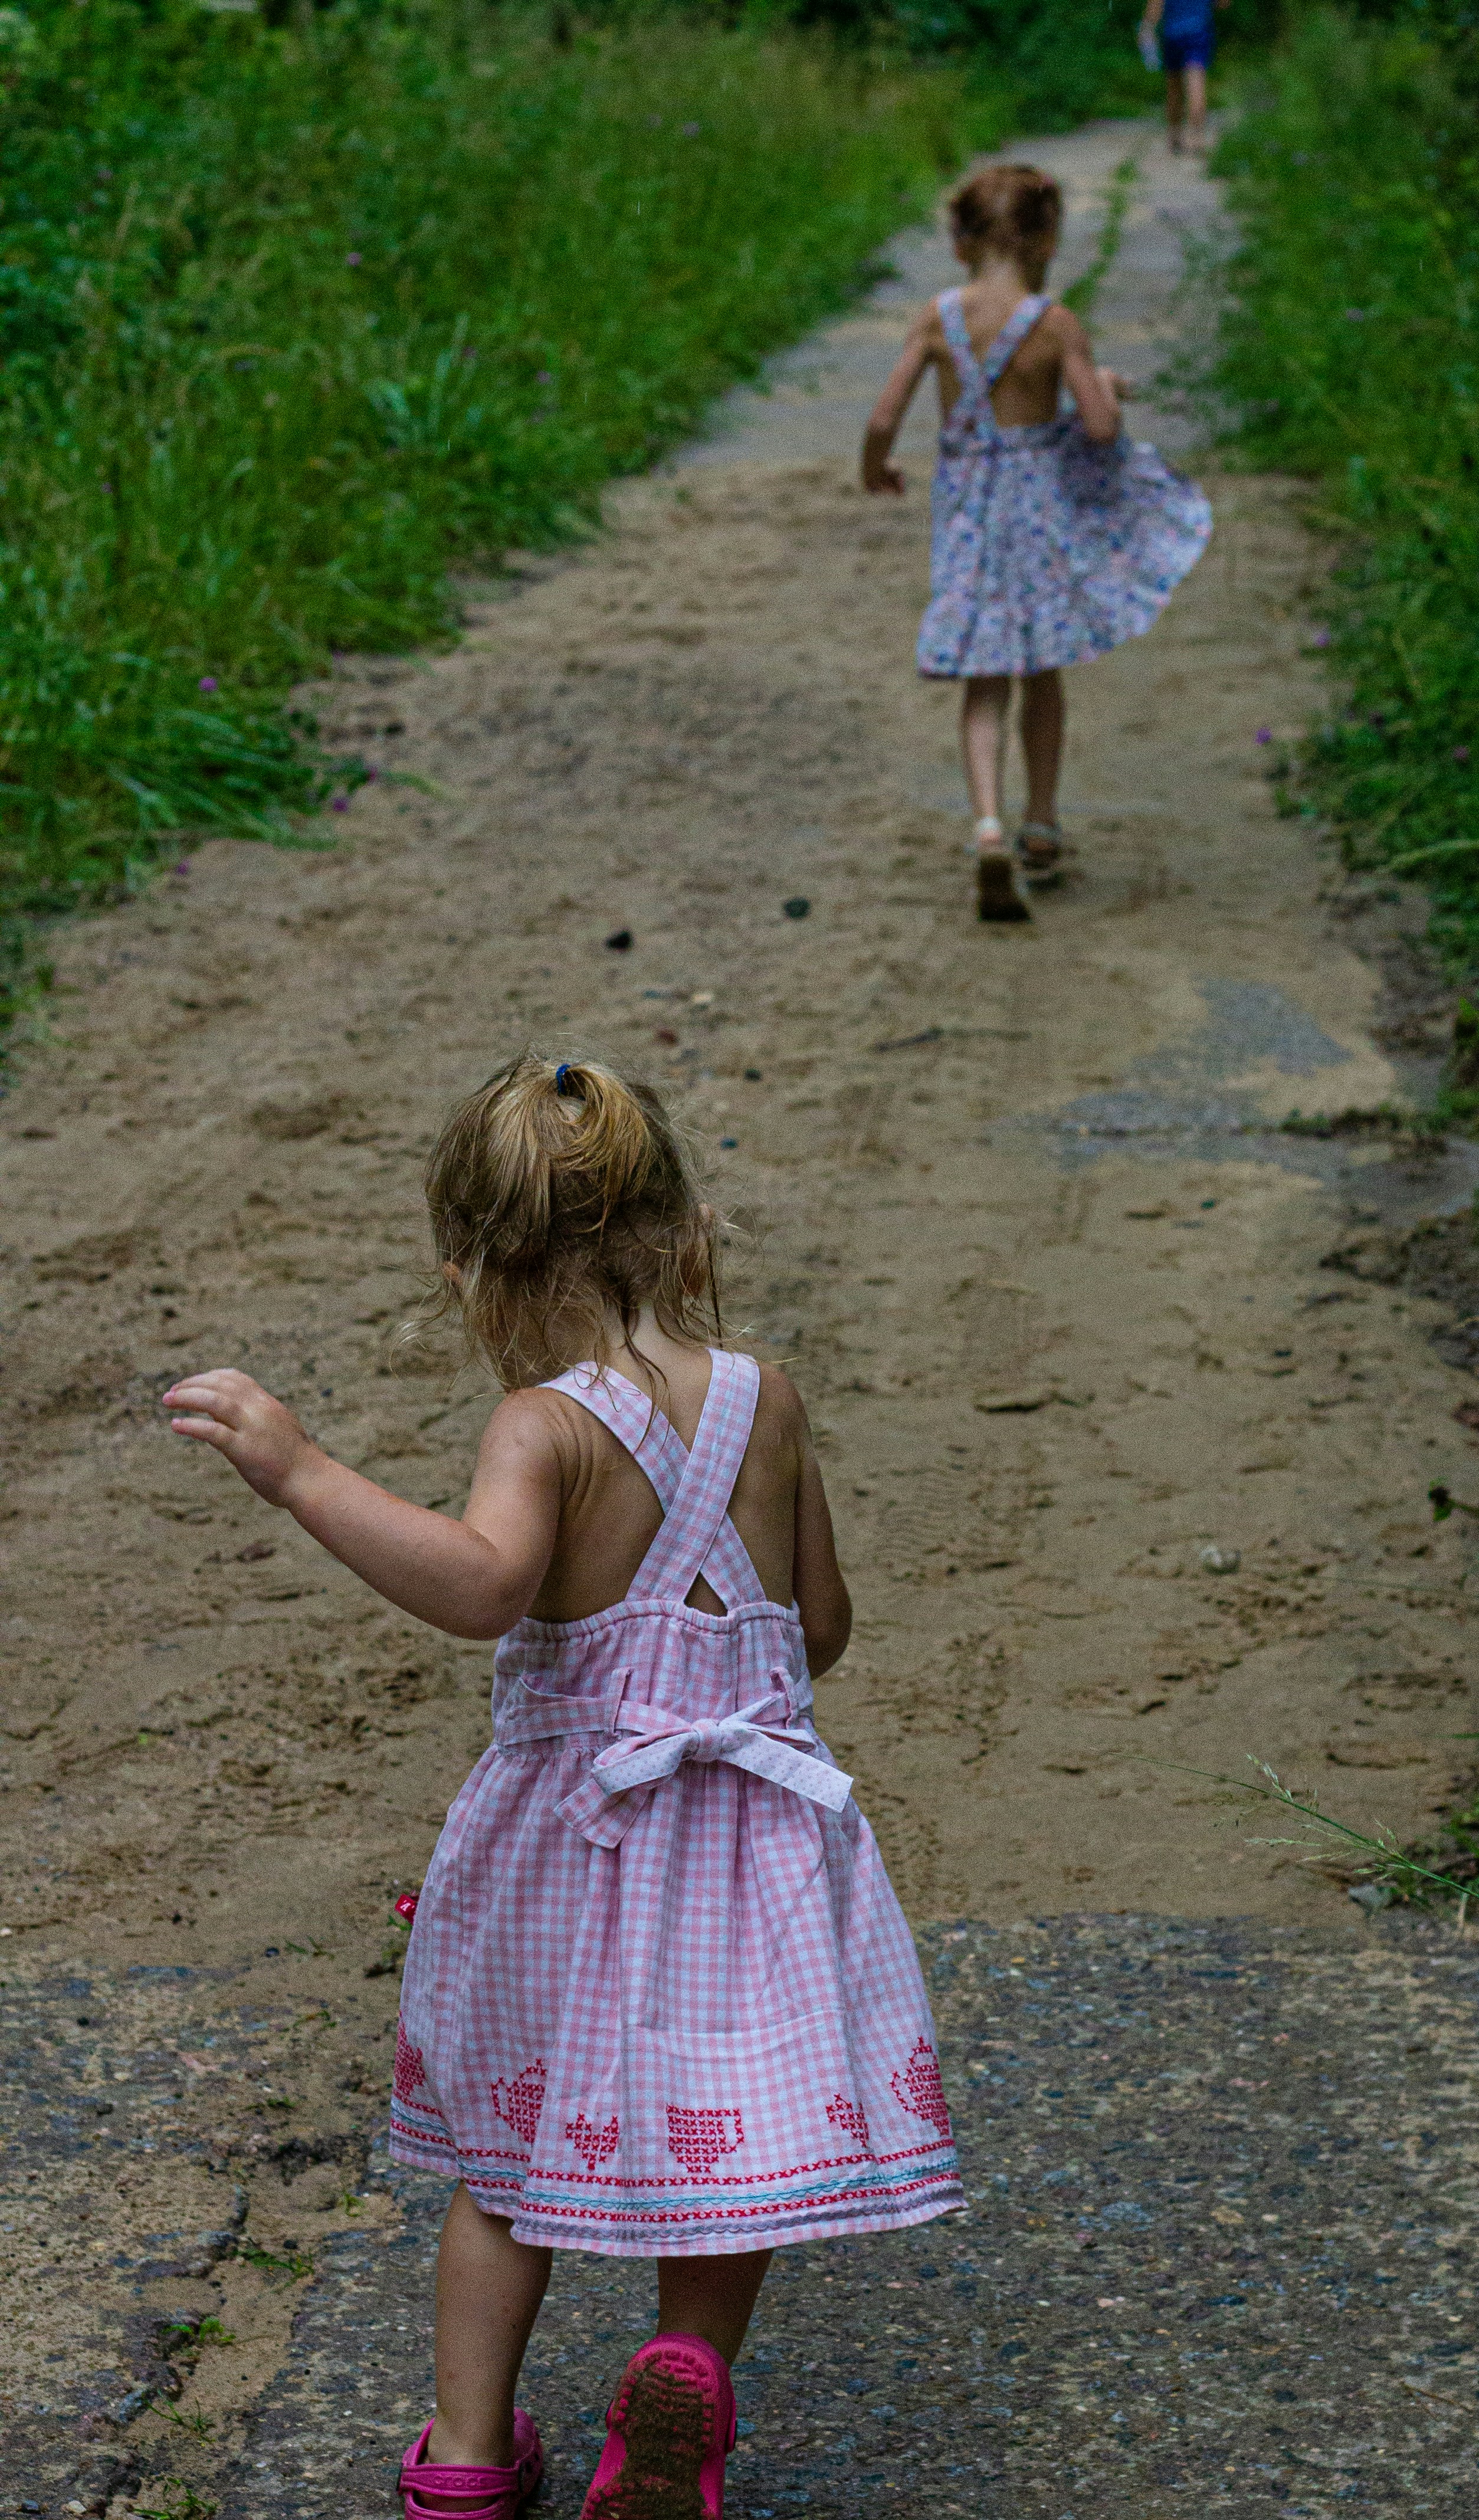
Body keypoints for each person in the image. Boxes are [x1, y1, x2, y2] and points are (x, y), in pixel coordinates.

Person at [163, 1053, 962, 2520]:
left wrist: (301, 1472)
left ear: (471, 1270)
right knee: (735, 2137)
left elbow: (479, 1588)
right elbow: (823, 1625)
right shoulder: (766, 1400)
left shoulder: (543, 1424)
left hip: (574, 1846)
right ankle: (682, 2368)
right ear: (689, 1227)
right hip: (752, 1835)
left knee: (507, 2156)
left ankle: (467, 2456)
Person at [861, 164, 1212, 923]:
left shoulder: (937, 318)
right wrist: (1105, 384)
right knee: (1040, 673)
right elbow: (1099, 430)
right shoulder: (1054, 325)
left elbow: (884, 419)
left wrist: (875, 467)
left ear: (961, 241)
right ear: (1045, 238)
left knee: (983, 682)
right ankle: (1042, 823)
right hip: (1039, 516)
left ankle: (987, 827)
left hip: (968, 517)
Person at [1140, 0, 1232, 156]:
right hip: (1198, 32)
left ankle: (1175, 135)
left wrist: (1146, 28)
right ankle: (1197, 136)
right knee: (1196, 82)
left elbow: (1155, 6)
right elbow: (1224, 3)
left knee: (1174, 87)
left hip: (1172, 35)